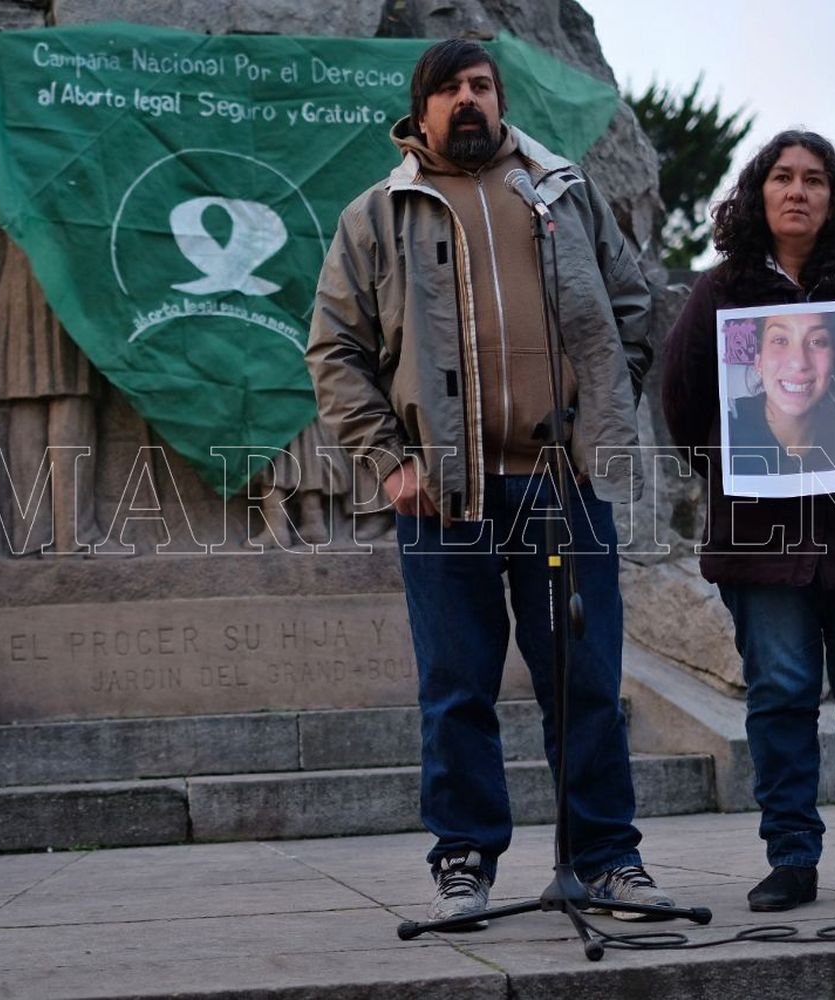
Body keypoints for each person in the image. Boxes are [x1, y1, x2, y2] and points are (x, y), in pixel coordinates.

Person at [306, 38, 666, 928]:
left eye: (481, 86)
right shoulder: (375, 217)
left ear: (499, 100)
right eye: (449, 90)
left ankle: (607, 860)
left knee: (584, 678)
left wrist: (601, 419)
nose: (468, 101)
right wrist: (390, 460)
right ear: (419, 111)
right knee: (458, 686)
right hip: (444, 498)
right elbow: (334, 353)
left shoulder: (560, 194)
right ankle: (463, 861)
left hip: (562, 487)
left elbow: (634, 306)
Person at [661, 130, 835, 912]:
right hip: (762, 541)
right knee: (780, 696)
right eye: (783, 177)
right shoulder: (721, 294)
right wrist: (752, 471)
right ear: (758, 194)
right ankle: (791, 858)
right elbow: (685, 406)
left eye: (815, 179)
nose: (799, 191)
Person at [727, 309, 835, 476]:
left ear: (833, 362)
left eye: (817, 341)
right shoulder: (728, 427)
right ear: (759, 362)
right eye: (780, 340)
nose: (799, 362)